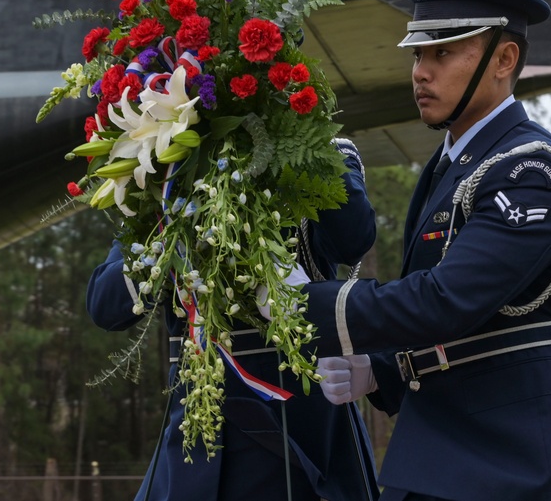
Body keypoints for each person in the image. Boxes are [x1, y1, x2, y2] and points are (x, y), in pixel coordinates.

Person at [303, 0, 551, 500]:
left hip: (528, 460)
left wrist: (303, 306)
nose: (420, 72)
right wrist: (382, 372)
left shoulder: (532, 170)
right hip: (458, 449)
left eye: (443, 53)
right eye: (418, 54)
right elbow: (469, 332)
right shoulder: (456, 166)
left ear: (503, 60)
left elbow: (447, 301)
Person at [86, 138, 380, 501]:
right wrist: (172, 232)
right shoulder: (170, 181)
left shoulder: (312, 150)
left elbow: (354, 238)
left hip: (297, 434)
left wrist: (308, 139)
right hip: (198, 437)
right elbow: (104, 304)